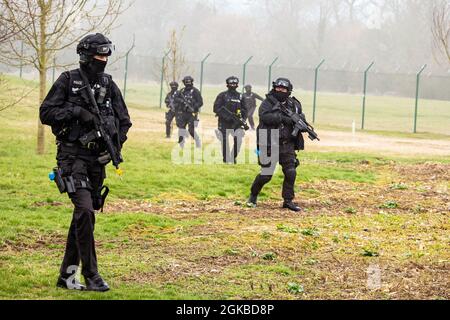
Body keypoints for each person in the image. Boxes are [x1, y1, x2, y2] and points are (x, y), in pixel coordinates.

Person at [40, 33, 132, 291]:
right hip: (71, 156)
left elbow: (124, 121)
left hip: (96, 160)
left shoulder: (108, 84)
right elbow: (46, 112)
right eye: (98, 55)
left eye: (106, 56)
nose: (102, 60)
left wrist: (114, 147)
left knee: (83, 216)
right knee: (85, 211)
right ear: (86, 56)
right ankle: (92, 274)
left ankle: (66, 276)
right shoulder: (68, 81)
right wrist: (76, 112)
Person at [247, 78, 307, 212]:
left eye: (283, 89)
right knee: (266, 174)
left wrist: (300, 123)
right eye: (278, 88)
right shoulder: (267, 103)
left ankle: (288, 201)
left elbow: (300, 117)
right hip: (269, 143)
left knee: (291, 172)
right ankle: (253, 195)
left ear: (289, 90)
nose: (280, 91)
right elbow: (265, 117)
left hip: (287, 144)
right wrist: (284, 118)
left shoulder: (294, 104)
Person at [213, 76, 248, 164]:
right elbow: (216, 108)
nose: (233, 85)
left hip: (237, 123)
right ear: (227, 84)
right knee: (224, 140)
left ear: (237, 85)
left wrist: (242, 119)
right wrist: (227, 116)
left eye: (234, 83)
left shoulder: (241, 96)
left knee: (239, 139)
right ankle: (226, 158)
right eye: (231, 83)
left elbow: (245, 110)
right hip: (224, 122)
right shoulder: (222, 95)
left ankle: (233, 157)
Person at [174, 76, 203, 148]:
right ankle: (181, 143)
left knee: (191, 130)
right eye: (186, 82)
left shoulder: (195, 91)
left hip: (192, 114)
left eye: (189, 81)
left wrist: (194, 107)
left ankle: (197, 140)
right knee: (181, 128)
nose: (187, 83)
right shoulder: (182, 91)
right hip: (183, 113)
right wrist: (181, 101)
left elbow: (200, 102)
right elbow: (175, 99)